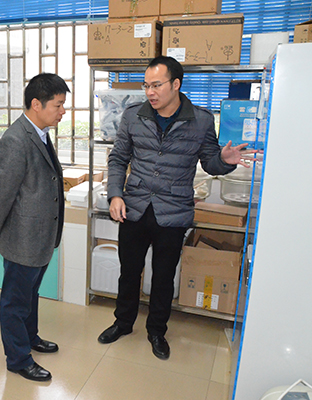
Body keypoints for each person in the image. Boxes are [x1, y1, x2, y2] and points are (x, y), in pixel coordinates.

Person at [97, 56, 258, 360]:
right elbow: (118, 159)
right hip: (134, 207)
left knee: (163, 276)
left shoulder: (201, 120)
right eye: (146, 85)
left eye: (156, 85)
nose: (150, 92)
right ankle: (123, 322)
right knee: (128, 272)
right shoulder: (133, 116)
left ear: (176, 85)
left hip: (173, 211)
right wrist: (115, 195)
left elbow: (209, 163)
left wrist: (225, 161)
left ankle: (157, 331)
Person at [0, 73, 69, 382]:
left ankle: (30, 337)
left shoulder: (40, 133)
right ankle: (18, 358)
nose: (62, 111)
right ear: (37, 104)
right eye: (58, 105)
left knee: (30, 294)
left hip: (41, 235)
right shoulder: (16, 139)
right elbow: (1, 191)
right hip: (22, 237)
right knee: (15, 301)